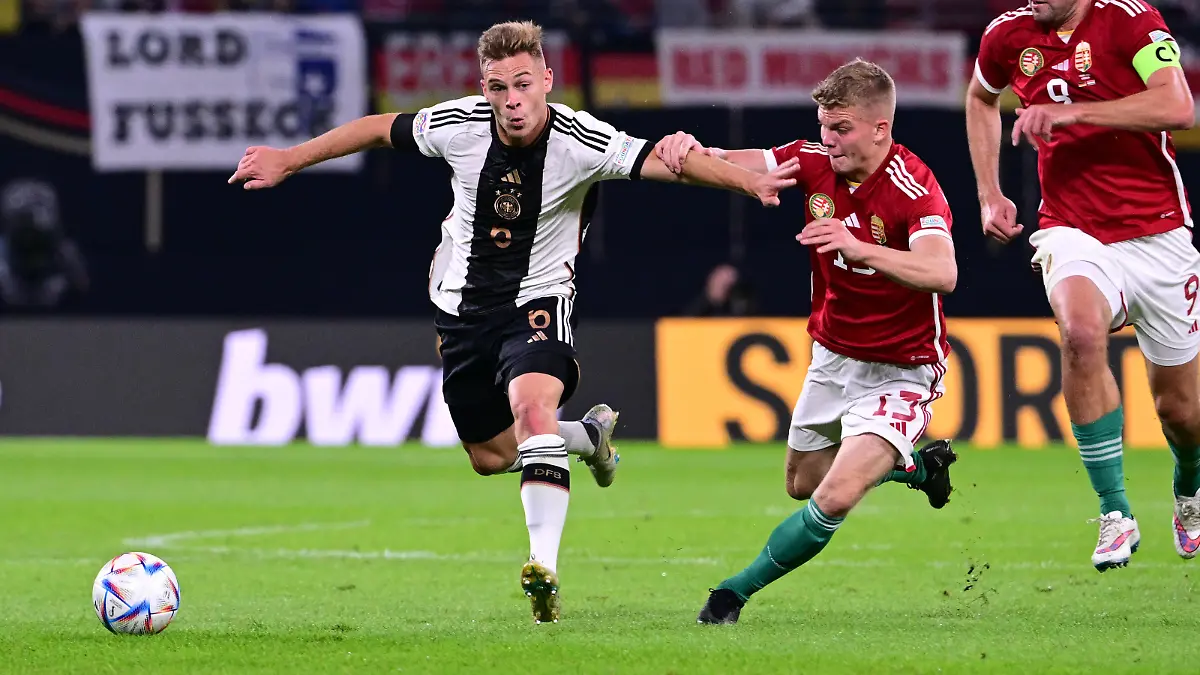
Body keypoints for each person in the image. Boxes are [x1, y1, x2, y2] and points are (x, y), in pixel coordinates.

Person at [227, 20, 800, 624]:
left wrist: (748, 180)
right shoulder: (459, 124)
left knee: (532, 413)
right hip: (461, 311)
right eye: (498, 88)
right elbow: (375, 129)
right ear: (485, 88)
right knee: (491, 455)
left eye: (523, 84)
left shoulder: (583, 139)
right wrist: (289, 158)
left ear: (547, 81)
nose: (512, 100)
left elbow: (667, 164)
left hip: (538, 302)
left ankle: (543, 569)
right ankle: (588, 438)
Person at [653, 58, 959, 624]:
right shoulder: (815, 161)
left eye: (841, 128)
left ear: (880, 129)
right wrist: (687, 149)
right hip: (833, 355)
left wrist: (859, 245)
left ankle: (731, 595)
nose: (828, 139)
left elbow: (942, 272)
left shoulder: (913, 188)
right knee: (802, 484)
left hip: (902, 367)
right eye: (823, 124)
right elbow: (734, 163)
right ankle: (915, 469)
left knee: (834, 498)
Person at [967, 0, 1200, 571]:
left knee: (1182, 412)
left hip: (1159, 234)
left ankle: (1190, 492)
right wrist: (989, 192)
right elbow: (980, 97)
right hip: (1072, 228)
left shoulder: (1130, 18)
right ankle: (1115, 512)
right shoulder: (1007, 34)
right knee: (1079, 333)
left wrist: (1077, 114)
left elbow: (1179, 104)